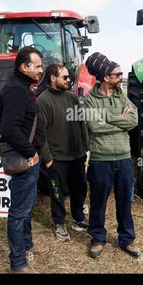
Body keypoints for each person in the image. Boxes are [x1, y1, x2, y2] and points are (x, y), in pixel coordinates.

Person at [84, 52, 142, 259]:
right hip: (101, 159)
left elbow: (133, 121)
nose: (121, 77)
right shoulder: (90, 99)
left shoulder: (122, 95)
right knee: (98, 202)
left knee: (125, 202)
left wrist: (107, 116)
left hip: (124, 158)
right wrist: (119, 120)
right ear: (106, 77)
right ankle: (98, 238)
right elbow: (94, 127)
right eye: (118, 74)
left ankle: (126, 239)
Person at [0, 46, 48, 273]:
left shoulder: (22, 88)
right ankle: (18, 263)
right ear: (24, 67)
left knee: (26, 207)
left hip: (29, 161)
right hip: (25, 160)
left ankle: (27, 245)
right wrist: (31, 153)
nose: (41, 70)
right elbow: (9, 129)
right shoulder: (16, 91)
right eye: (37, 66)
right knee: (18, 212)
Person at [37, 62, 89, 242]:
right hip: (57, 158)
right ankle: (59, 222)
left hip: (77, 155)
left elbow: (81, 123)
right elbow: (40, 134)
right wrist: (48, 159)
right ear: (53, 78)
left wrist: (85, 148)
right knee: (57, 193)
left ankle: (78, 218)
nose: (69, 80)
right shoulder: (42, 101)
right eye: (65, 77)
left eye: (69, 77)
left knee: (80, 187)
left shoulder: (72, 98)